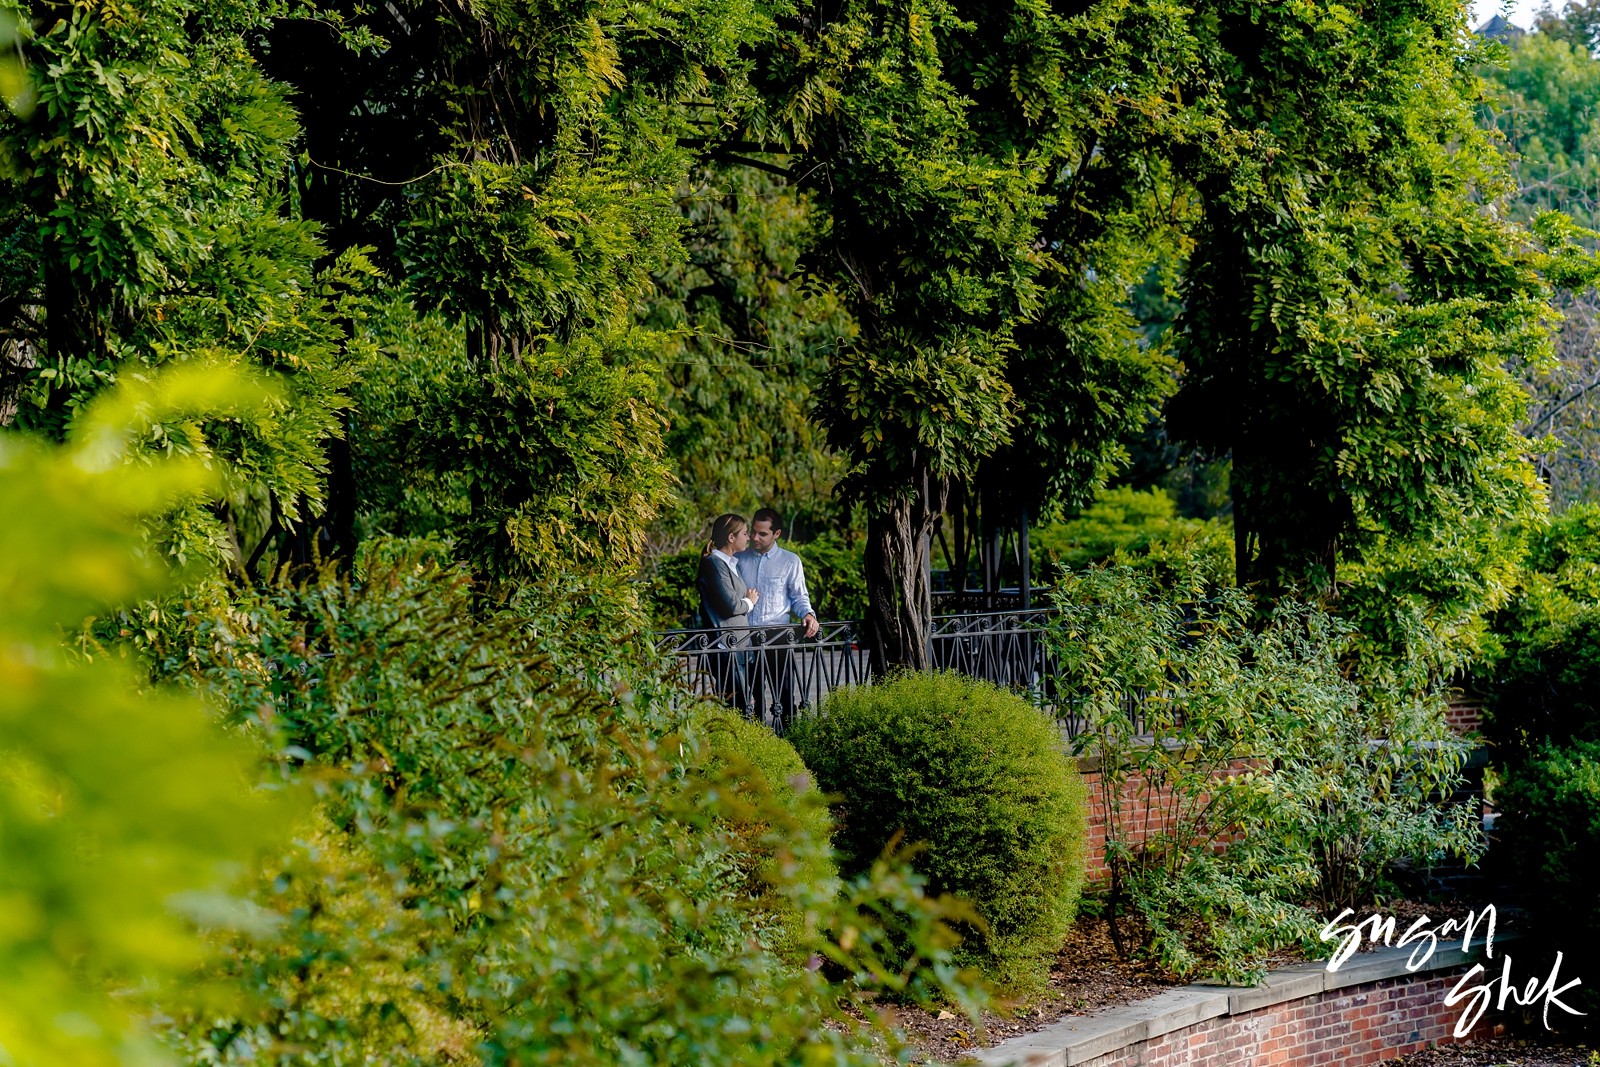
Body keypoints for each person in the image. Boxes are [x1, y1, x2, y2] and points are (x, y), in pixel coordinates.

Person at [736, 507, 819, 728]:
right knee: (748, 699)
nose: (755, 538)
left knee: (784, 696)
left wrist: (809, 614)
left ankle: (789, 741)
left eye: (762, 534)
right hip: (745, 637)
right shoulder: (738, 559)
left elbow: (799, 597)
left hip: (777, 637)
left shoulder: (790, 561)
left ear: (777, 534)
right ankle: (752, 747)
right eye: (753, 532)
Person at [697, 513, 760, 713]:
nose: (748, 537)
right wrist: (749, 602)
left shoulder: (729, 564)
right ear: (731, 538)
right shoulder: (713, 563)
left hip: (739, 645)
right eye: (744, 533)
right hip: (726, 646)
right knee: (737, 705)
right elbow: (731, 606)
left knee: (744, 704)